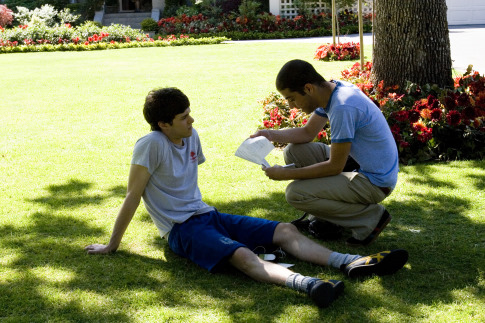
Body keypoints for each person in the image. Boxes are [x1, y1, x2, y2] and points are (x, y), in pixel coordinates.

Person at [85, 87, 408, 308]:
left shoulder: (191, 136)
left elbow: (186, 182)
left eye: (189, 113)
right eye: (184, 118)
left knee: (286, 230)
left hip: (208, 216)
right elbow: (132, 195)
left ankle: (349, 262)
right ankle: (307, 284)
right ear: (163, 124)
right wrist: (112, 244)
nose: (192, 121)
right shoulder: (150, 144)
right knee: (241, 255)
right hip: (182, 230)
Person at [251, 59, 399, 247]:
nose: (291, 106)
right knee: (295, 152)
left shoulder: (343, 106)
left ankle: (370, 219)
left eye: (292, 98)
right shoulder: (333, 90)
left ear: (308, 88)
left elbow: (334, 167)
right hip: (357, 165)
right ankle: (325, 220)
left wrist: (285, 174)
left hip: (375, 182)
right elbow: (307, 133)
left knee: (296, 194)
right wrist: (269, 134)